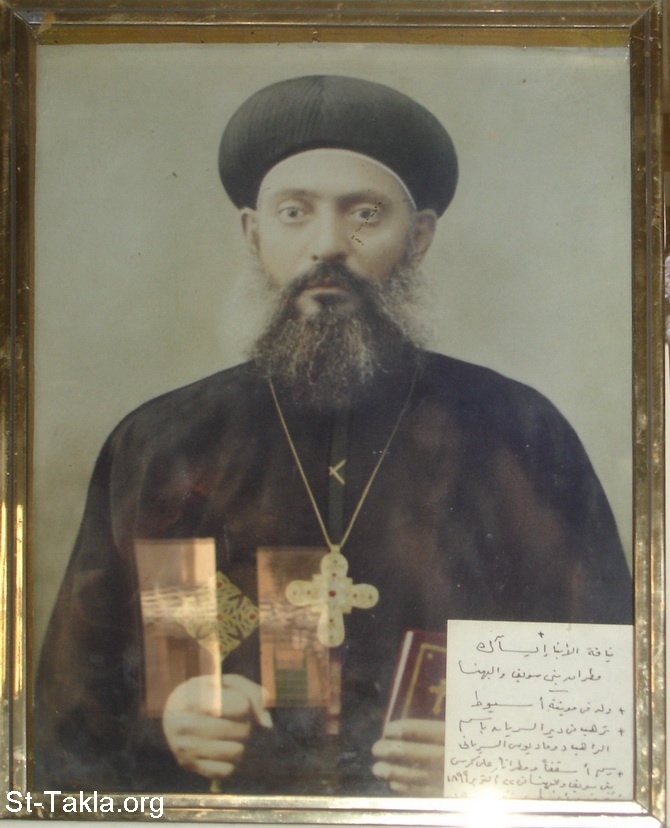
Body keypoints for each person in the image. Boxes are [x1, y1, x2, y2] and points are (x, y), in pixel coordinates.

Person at [35, 74, 632, 797]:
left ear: (418, 237)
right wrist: (164, 729)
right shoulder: (164, 444)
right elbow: (69, 717)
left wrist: (487, 758)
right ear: (254, 234)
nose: (327, 246)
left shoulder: (518, 431)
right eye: (294, 212)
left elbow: (609, 689)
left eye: (365, 213)